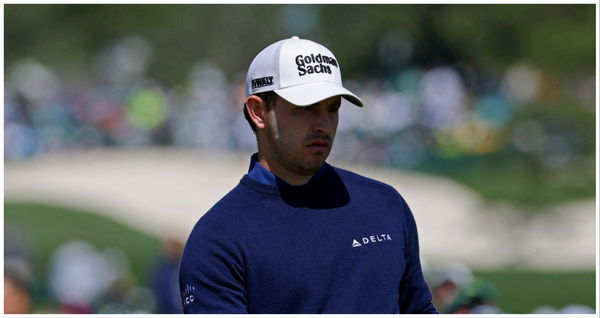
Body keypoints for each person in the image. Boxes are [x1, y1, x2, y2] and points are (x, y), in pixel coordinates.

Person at [179, 36, 437, 314]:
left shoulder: (384, 204)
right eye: (306, 107)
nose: (324, 124)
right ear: (258, 111)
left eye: (333, 108)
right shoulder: (219, 238)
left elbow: (418, 308)